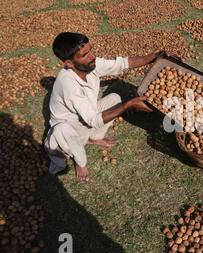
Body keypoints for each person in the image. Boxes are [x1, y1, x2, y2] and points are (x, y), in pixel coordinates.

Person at [44, 32, 169, 182]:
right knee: (62, 129)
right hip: (66, 134)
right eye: (85, 55)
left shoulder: (90, 65)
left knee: (115, 98)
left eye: (90, 50)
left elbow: (122, 64)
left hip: (85, 119)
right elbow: (94, 120)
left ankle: (92, 139)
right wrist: (129, 104)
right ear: (69, 63)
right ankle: (80, 162)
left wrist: (156, 56)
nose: (92, 57)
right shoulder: (68, 85)